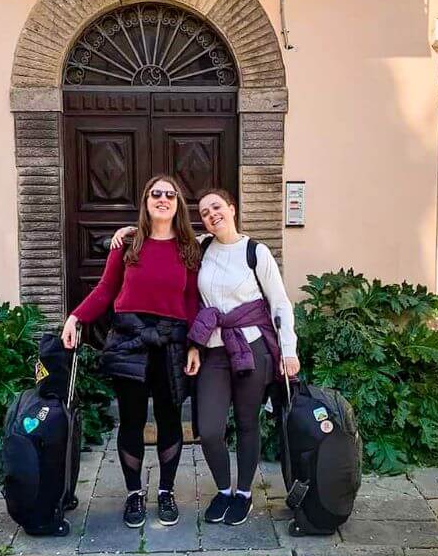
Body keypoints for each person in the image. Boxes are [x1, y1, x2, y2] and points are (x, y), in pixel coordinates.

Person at [111, 187, 299, 526]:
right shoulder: (201, 247)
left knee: (246, 423)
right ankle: (223, 489)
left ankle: (243, 493)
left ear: (232, 209)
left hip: (251, 346)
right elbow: (160, 240)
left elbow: (280, 303)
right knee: (209, 429)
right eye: (205, 212)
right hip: (213, 348)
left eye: (217, 207)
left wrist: (288, 350)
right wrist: (129, 233)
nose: (212, 214)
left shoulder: (256, 252)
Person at [61, 176, 201, 529]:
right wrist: (75, 317)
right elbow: (106, 290)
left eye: (170, 194)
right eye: (156, 193)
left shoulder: (189, 249)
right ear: (146, 200)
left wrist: (195, 344)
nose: (163, 199)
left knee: (170, 421)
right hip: (130, 340)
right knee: (133, 421)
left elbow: (192, 301)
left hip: (171, 343)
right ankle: (134, 493)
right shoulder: (127, 244)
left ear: (178, 204)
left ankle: (166, 491)